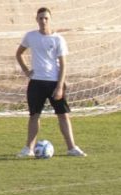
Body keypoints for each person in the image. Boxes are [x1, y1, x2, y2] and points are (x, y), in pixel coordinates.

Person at [15, 7, 86, 158]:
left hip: (54, 82)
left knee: (63, 115)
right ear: (37, 20)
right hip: (36, 82)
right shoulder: (30, 36)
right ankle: (29, 149)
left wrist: (60, 86)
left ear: (50, 20)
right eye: (40, 18)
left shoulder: (58, 39)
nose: (43, 21)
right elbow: (19, 53)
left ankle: (72, 148)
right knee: (34, 115)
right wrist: (26, 71)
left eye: (46, 18)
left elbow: (63, 64)